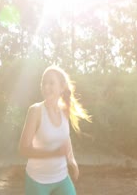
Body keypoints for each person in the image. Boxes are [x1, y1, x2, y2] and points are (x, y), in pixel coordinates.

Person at [19, 66, 91, 195]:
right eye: (44, 82)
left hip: (61, 178)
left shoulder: (65, 111)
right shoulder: (35, 111)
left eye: (51, 83)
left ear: (62, 87)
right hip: (37, 181)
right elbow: (24, 149)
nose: (46, 87)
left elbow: (65, 138)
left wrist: (71, 160)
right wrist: (53, 153)